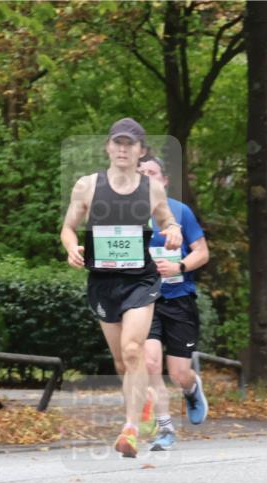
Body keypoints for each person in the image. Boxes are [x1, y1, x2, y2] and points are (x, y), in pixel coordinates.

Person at [60, 118, 182, 458]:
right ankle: (140, 404)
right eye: (118, 143)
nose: (123, 149)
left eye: (130, 144)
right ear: (108, 147)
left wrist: (173, 232)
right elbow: (68, 228)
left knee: (133, 350)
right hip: (103, 281)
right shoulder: (86, 186)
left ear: (142, 151)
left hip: (140, 280)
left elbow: (168, 221)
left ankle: (130, 428)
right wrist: (71, 247)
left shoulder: (152, 188)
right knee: (120, 361)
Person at [136, 155, 210, 451]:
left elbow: (202, 253)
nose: (145, 178)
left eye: (151, 173)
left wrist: (179, 267)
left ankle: (192, 388)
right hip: (143, 301)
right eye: (140, 173)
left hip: (179, 299)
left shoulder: (180, 212)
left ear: (164, 181)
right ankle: (165, 430)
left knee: (179, 372)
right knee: (151, 363)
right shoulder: (126, 215)